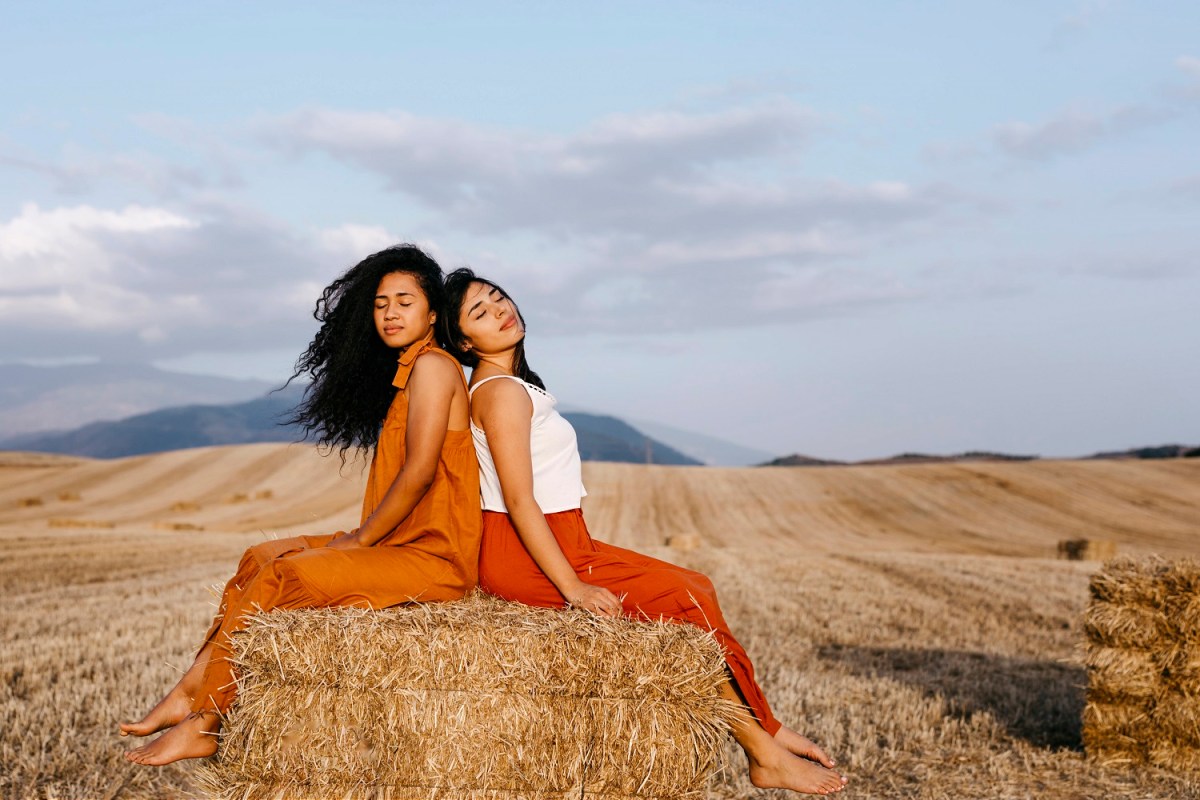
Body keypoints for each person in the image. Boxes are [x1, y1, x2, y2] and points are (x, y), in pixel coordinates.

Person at [440, 269, 848, 796]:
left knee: (693, 589)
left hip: (562, 538)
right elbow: (519, 502)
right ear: (465, 342)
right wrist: (575, 589)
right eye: (480, 312)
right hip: (525, 550)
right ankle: (763, 750)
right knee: (687, 596)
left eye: (498, 297)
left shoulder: (512, 387)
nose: (500, 309)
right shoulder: (500, 393)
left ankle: (766, 730)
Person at [121, 245, 481, 766]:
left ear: (432, 314)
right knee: (261, 557)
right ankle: (189, 690)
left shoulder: (433, 368)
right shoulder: (408, 374)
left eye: (405, 301)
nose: (390, 313)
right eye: (380, 304)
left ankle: (206, 720)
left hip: (433, 559)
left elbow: (421, 470)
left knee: (281, 580)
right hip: (396, 547)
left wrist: (359, 540)